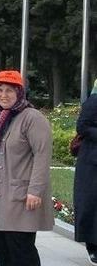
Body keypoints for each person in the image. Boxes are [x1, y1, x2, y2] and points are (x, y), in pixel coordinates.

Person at [0, 70, 53, 266]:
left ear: (20, 92)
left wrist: (35, 190)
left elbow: (42, 155)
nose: (3, 95)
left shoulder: (32, 118)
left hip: (18, 197)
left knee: (21, 250)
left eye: (9, 90)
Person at [75, 89, 97, 264]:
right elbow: (82, 126)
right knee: (91, 204)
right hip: (92, 162)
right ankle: (93, 246)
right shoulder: (94, 101)